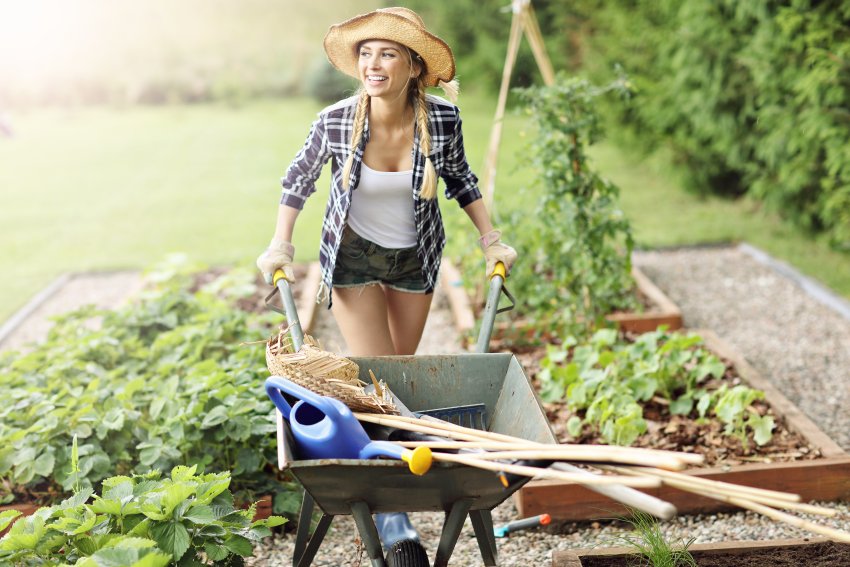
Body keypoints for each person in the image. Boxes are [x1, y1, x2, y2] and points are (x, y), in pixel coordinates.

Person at [256, 6, 516, 358]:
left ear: (414, 66)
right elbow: (299, 177)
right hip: (354, 255)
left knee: (403, 367)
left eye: (387, 54)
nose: (372, 64)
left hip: (417, 255)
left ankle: (391, 414)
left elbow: (460, 178)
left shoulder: (443, 119)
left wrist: (492, 243)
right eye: (366, 54)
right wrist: (280, 245)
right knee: (382, 368)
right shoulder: (336, 121)